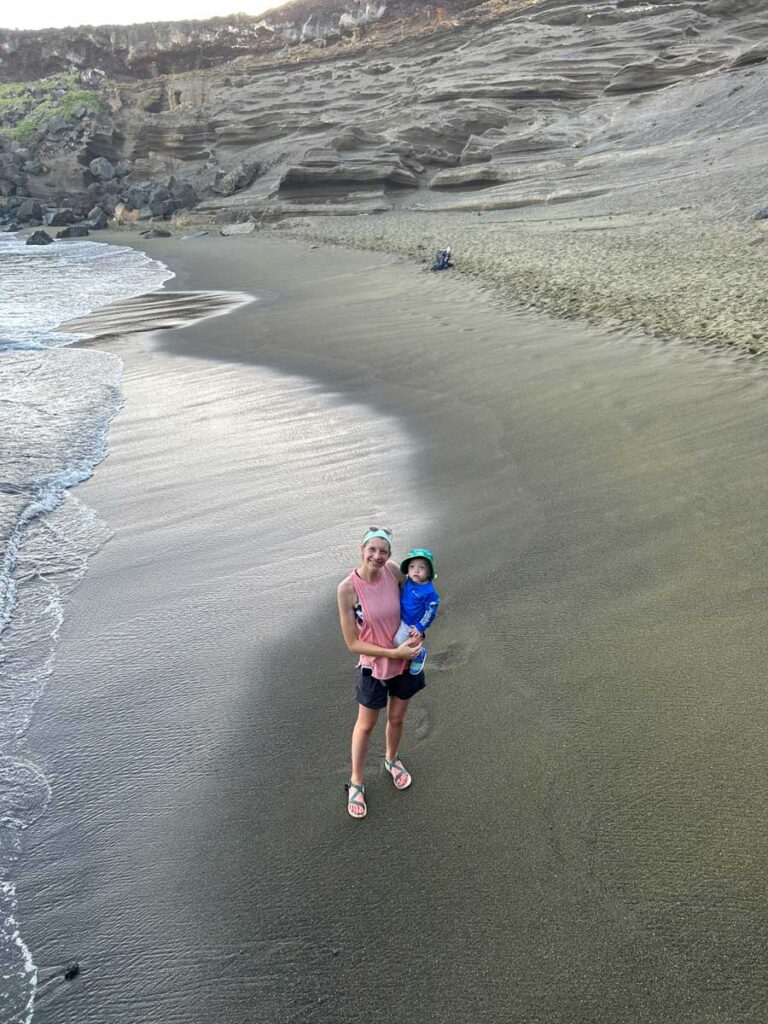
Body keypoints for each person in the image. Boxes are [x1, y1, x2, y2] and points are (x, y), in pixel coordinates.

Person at [337, 527, 424, 819]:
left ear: (389, 554)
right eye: (371, 549)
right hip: (374, 665)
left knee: (397, 717)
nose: (377, 556)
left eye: (383, 551)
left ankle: (391, 760)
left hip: (405, 660)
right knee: (366, 725)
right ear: (361, 549)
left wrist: (419, 632)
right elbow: (352, 643)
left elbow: (413, 605)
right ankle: (357, 782)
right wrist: (392, 653)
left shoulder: (393, 572)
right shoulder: (347, 589)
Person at [393, 549, 440, 675]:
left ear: (429, 571)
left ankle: (418, 654)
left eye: (421, 567)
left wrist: (420, 627)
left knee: (398, 641)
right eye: (412, 566)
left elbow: (430, 612)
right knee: (393, 639)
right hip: (400, 617)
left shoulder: (429, 592)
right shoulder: (409, 580)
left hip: (411, 624)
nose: (416, 570)